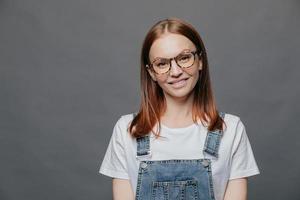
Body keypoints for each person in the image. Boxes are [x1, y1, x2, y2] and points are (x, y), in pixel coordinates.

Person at [99, 17, 260, 200]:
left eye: (184, 58)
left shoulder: (230, 130)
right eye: (162, 64)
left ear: (200, 61)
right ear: (151, 72)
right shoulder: (127, 130)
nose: (175, 71)